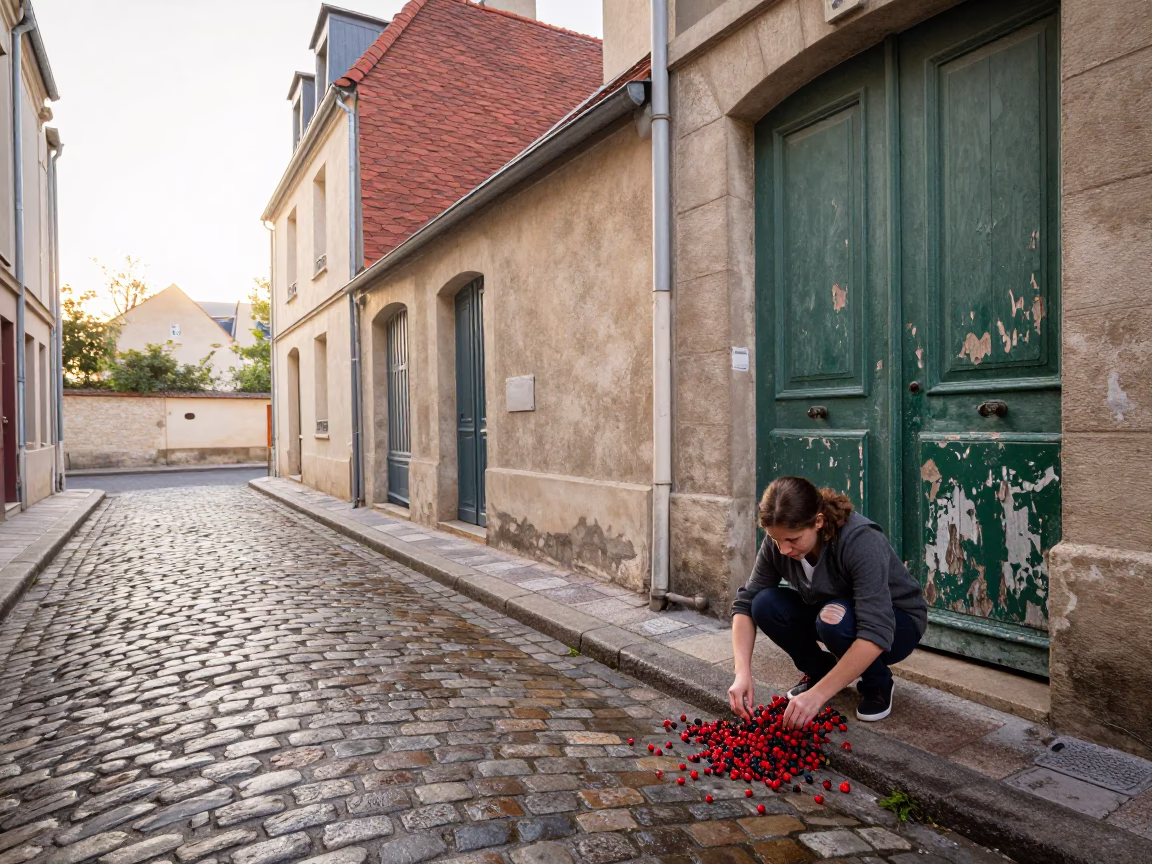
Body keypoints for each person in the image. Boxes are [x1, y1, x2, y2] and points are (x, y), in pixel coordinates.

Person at [728, 476, 928, 728]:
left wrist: (818, 696)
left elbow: (876, 628)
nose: (784, 550)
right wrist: (742, 673)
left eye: (793, 540)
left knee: (833, 618)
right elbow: (745, 603)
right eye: (777, 540)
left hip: (897, 624)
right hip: (832, 612)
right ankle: (820, 671)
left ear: (818, 522)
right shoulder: (778, 542)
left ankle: (877, 683)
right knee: (763, 604)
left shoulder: (860, 540)